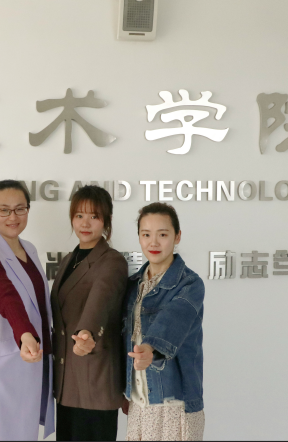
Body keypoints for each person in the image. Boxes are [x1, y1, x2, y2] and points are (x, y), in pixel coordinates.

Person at [0, 180, 55, 440]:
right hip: (0, 369)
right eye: (4, 210)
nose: (12, 217)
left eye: (20, 209)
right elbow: (7, 297)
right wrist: (26, 333)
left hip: (30, 362)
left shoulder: (30, 249)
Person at [51, 185, 128, 441]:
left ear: (106, 221)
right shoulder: (68, 260)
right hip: (67, 381)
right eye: (79, 215)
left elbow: (101, 300)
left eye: (94, 216)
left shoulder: (112, 261)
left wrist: (86, 332)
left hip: (95, 380)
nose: (85, 223)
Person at [123, 202, 205, 441]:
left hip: (174, 403)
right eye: (146, 234)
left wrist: (150, 348)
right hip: (138, 403)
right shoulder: (133, 284)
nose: (153, 243)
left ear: (177, 236)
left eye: (163, 235)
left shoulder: (190, 284)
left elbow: (174, 318)